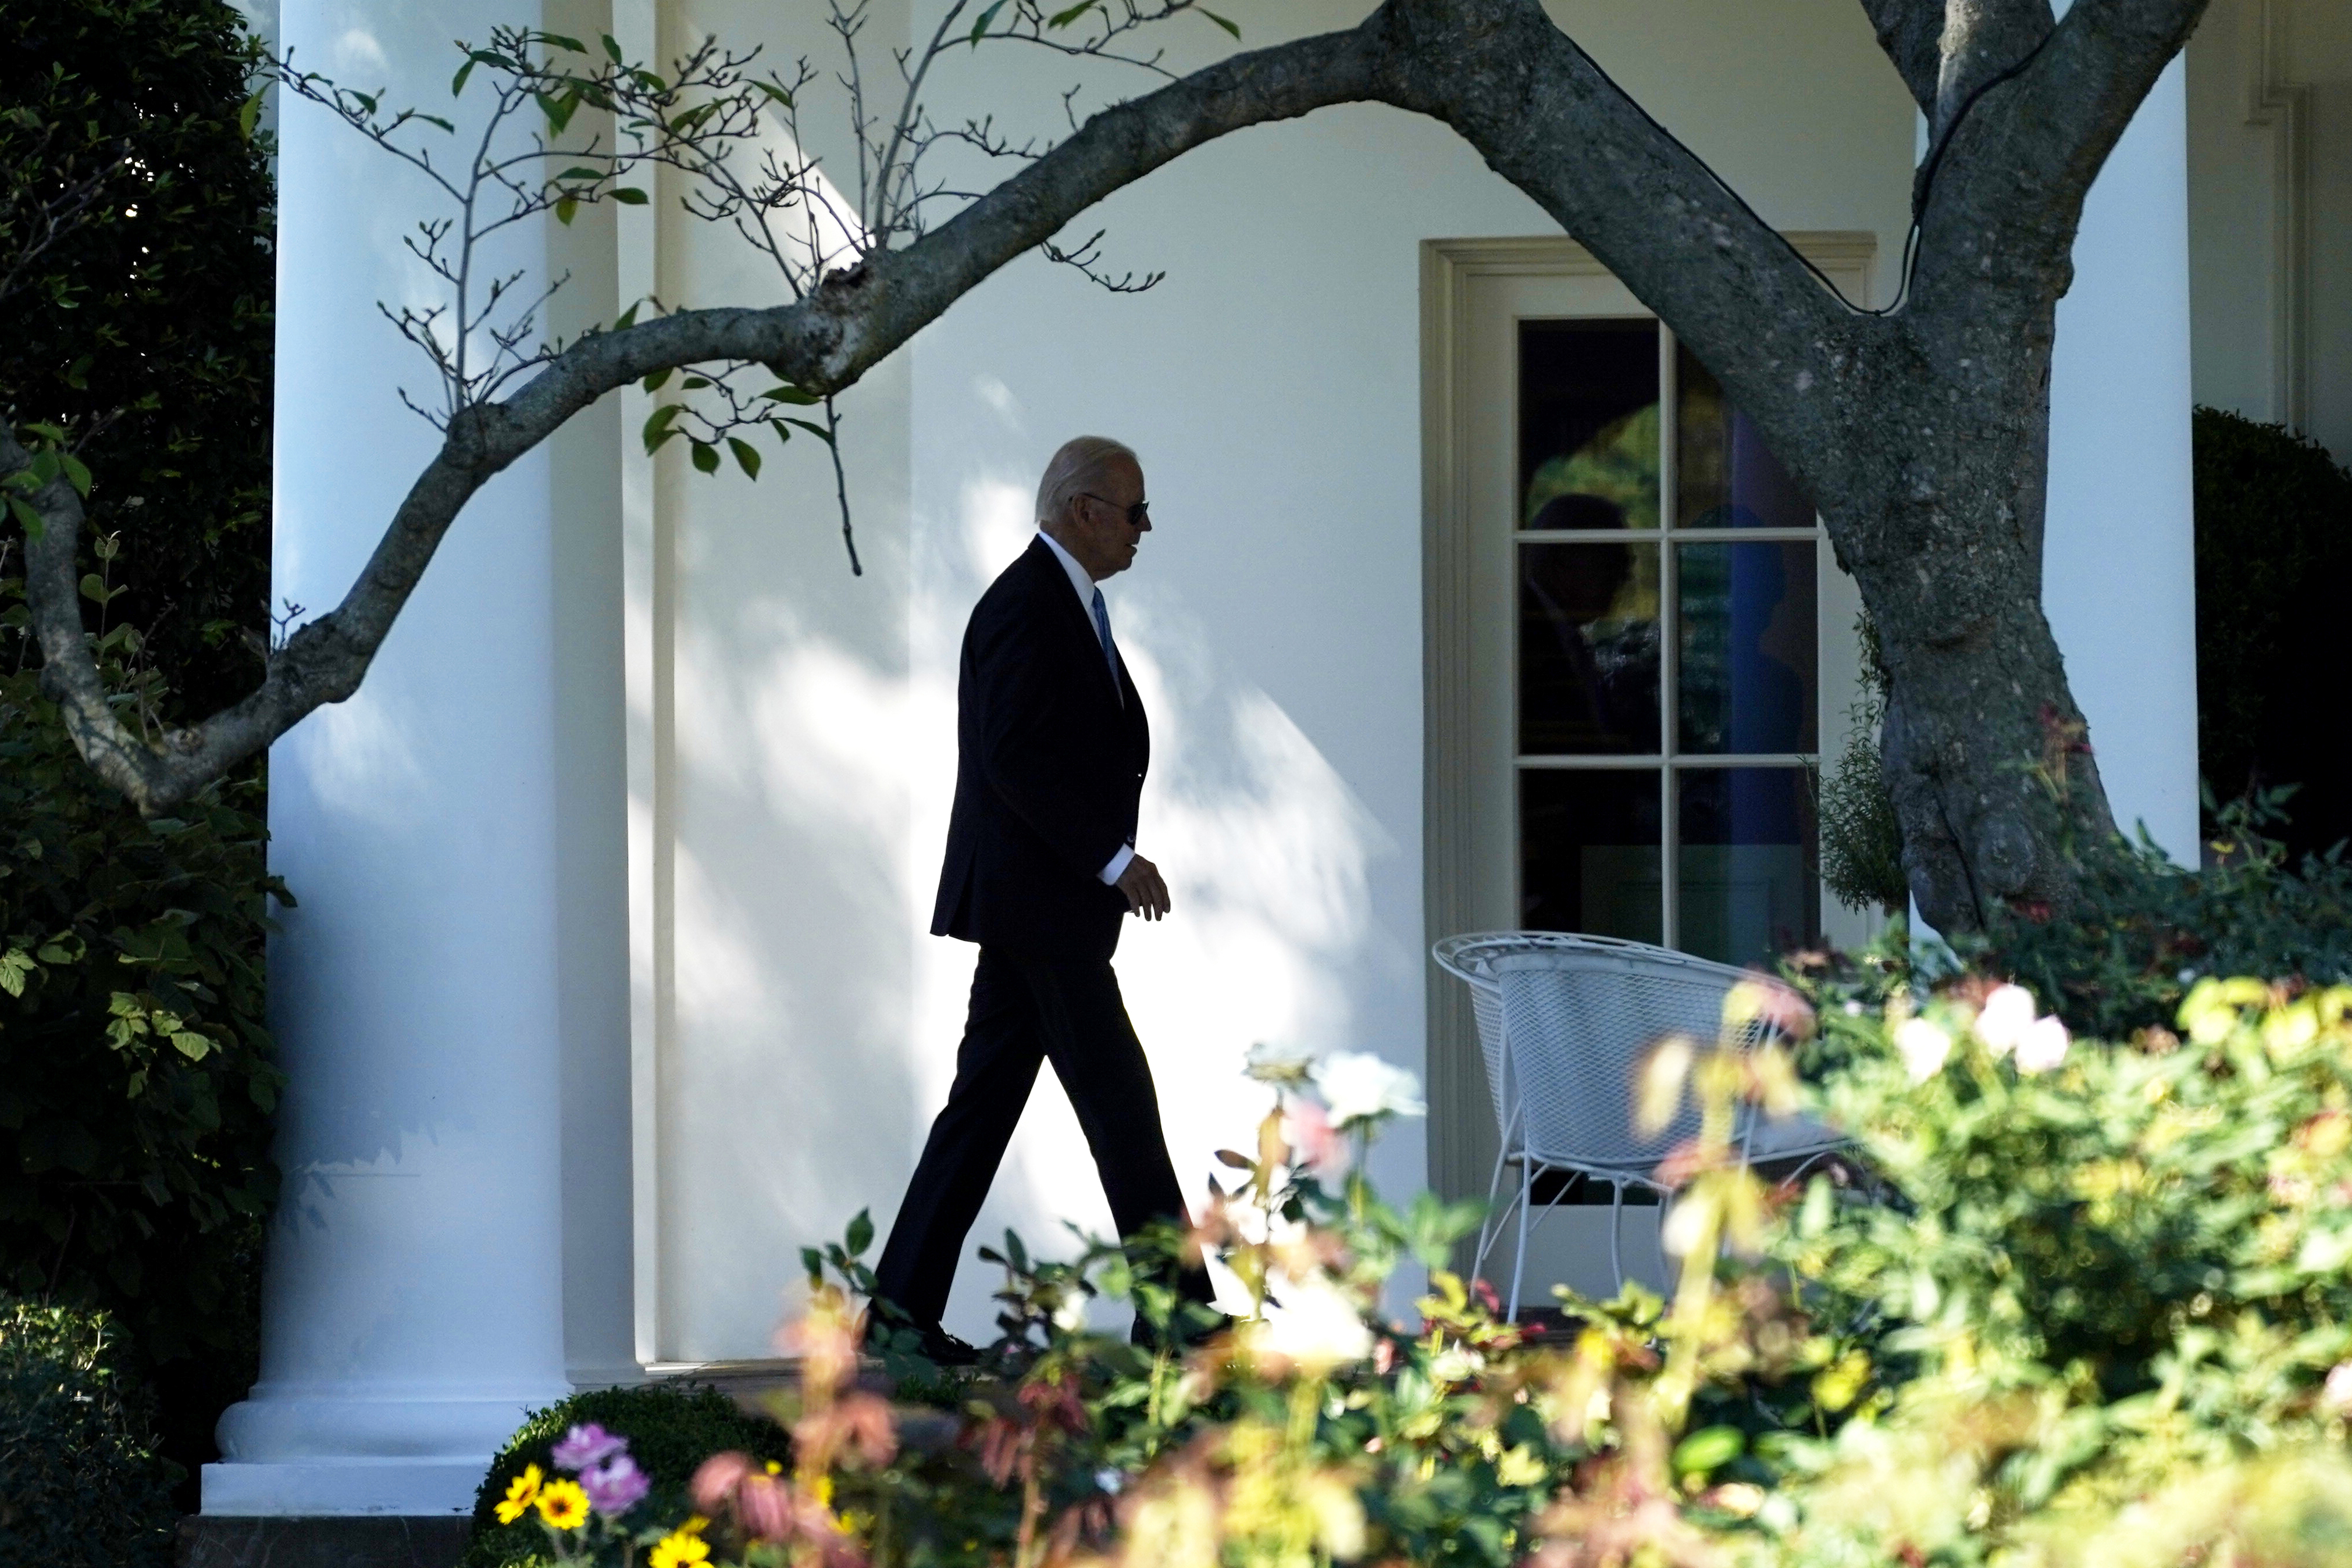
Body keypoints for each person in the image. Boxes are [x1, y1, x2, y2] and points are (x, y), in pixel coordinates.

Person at [868, 436, 1211, 1364]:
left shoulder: (1064, 601)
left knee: (981, 1113)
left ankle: (895, 1326)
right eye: (1135, 510)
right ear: (1084, 509)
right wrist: (1113, 861)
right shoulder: (1026, 605)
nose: (1145, 529)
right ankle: (1181, 1312)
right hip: (1044, 906)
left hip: (1036, 909)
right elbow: (1016, 758)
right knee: (1120, 1103)